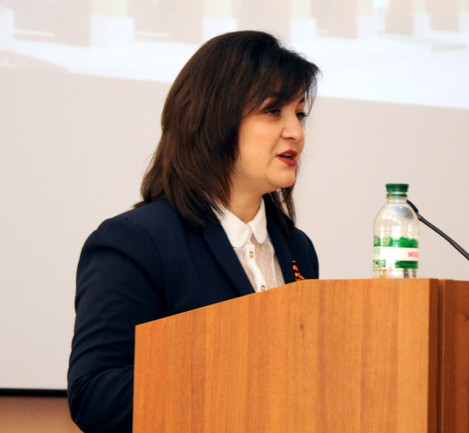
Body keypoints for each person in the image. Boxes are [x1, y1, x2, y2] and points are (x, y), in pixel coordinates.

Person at [68, 31, 320, 433]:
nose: (296, 132)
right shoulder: (136, 242)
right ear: (214, 118)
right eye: (274, 111)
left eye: (300, 114)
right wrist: (237, 370)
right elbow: (95, 396)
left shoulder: (297, 248)